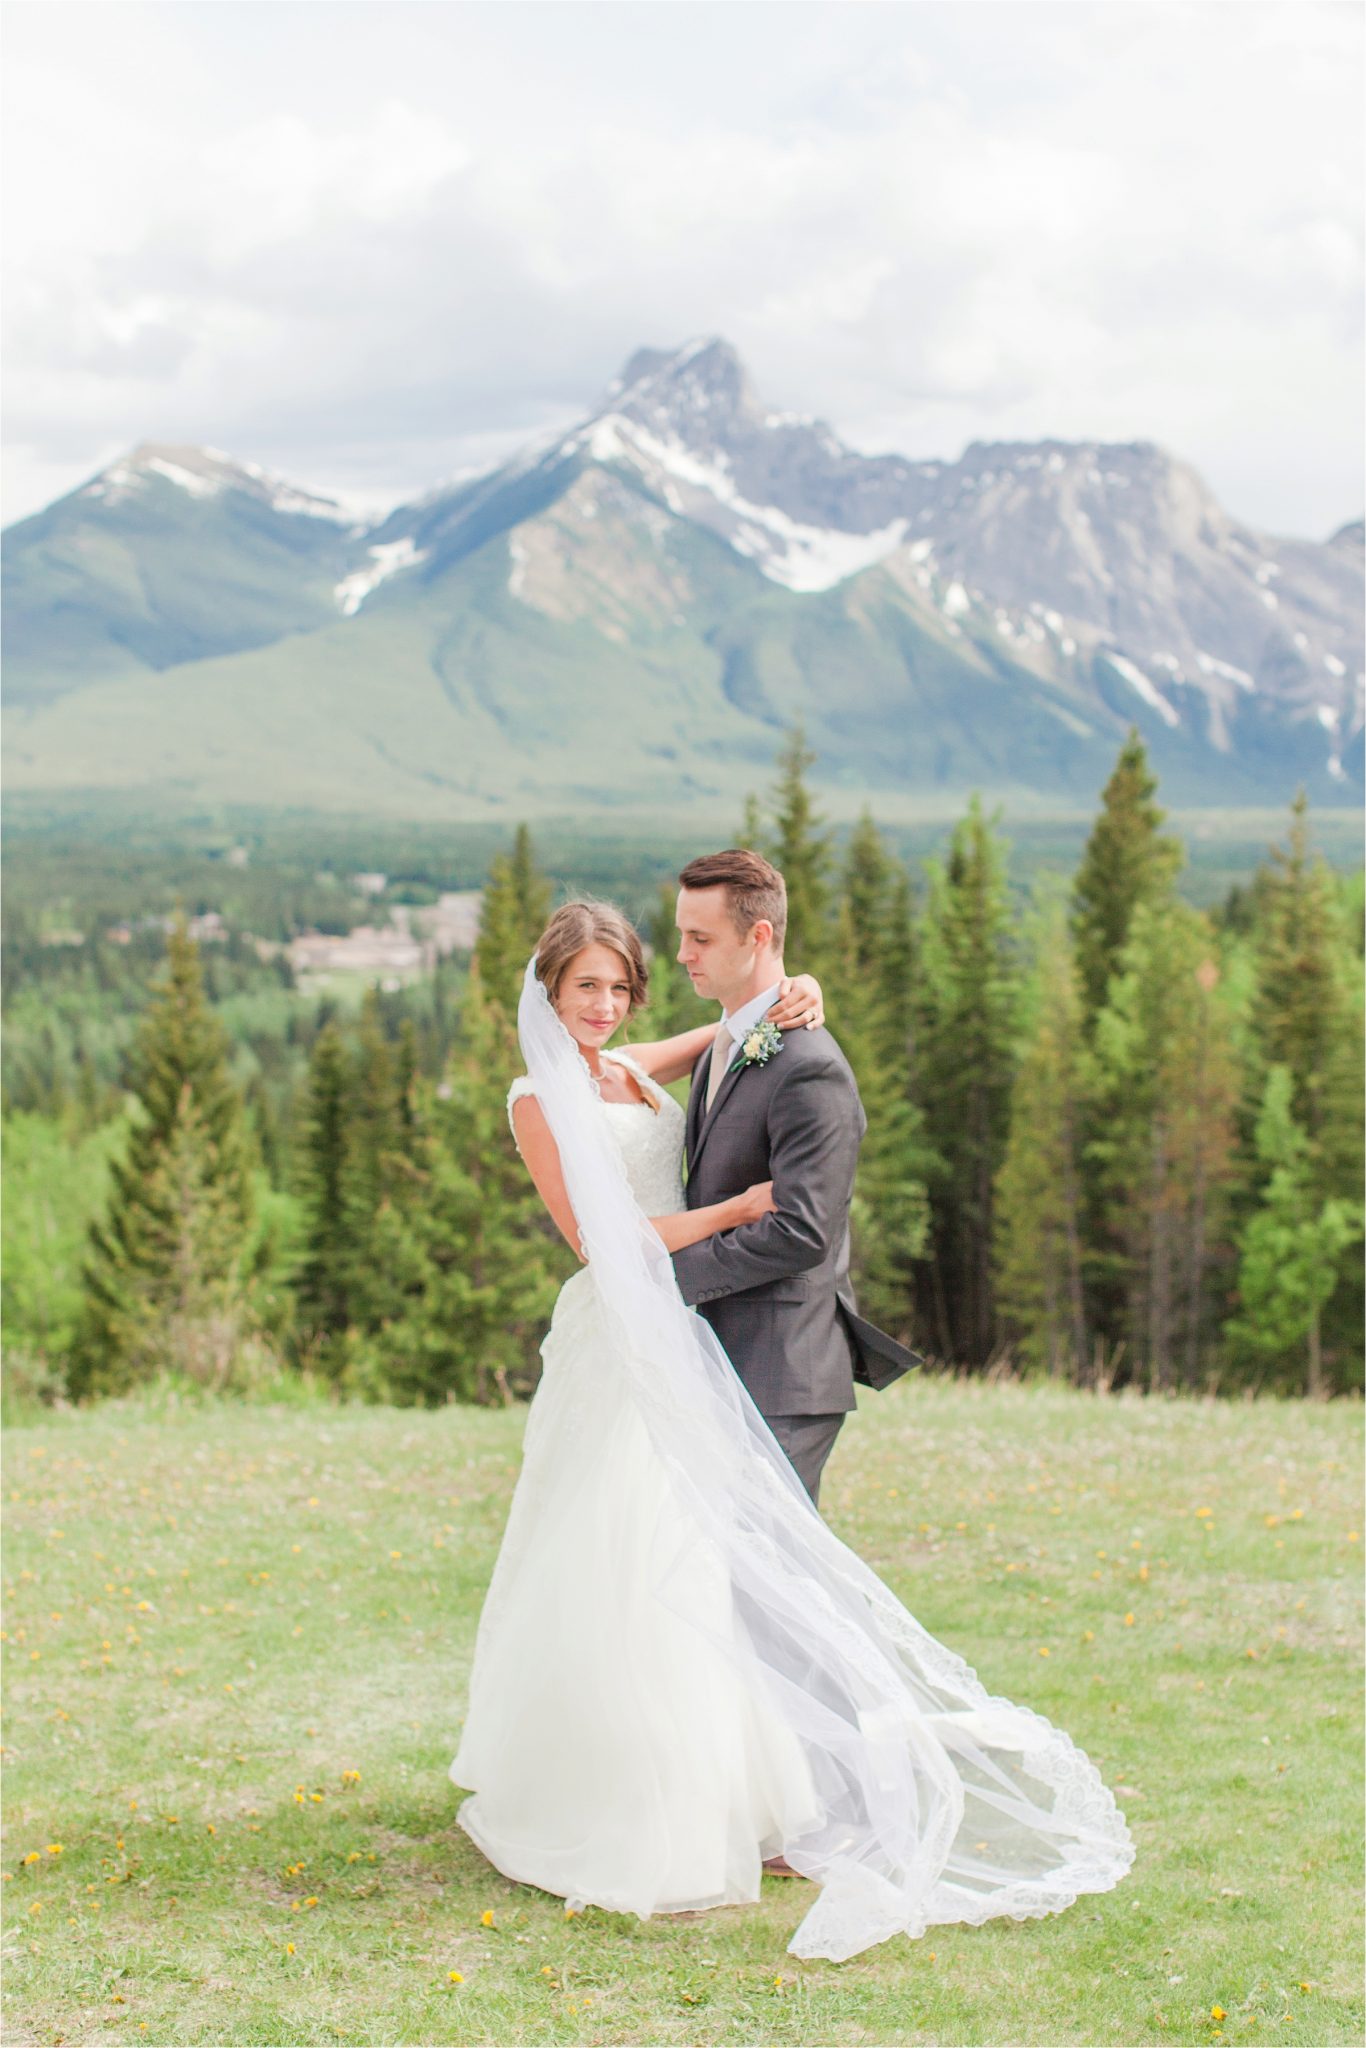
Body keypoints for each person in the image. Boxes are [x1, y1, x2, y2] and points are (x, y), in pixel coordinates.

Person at [449, 897, 1134, 1962]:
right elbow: (599, 1240)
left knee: (700, 1558)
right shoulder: (537, 1099)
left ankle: (741, 1789)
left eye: (620, 984)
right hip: (622, 1333)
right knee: (623, 1550)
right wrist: (734, 1210)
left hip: (683, 1334)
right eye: (586, 985)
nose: (607, 1002)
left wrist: (793, 989)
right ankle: (622, 1796)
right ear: (547, 990)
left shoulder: (628, 1068)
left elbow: (734, 1030)